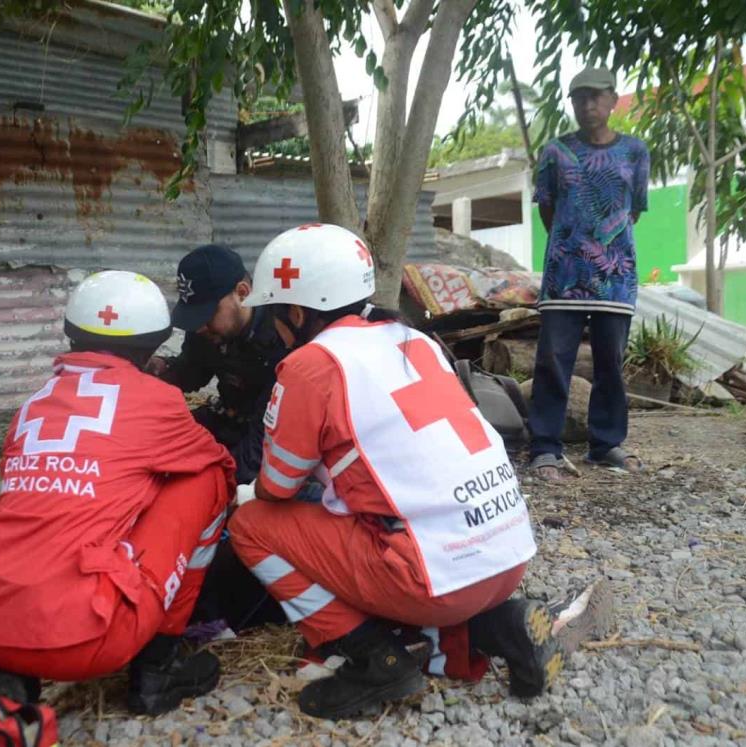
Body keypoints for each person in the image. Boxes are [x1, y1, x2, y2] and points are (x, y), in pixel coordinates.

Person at [229, 224, 561, 720]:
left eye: (276, 315)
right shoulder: (414, 340)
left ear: (295, 314)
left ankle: (372, 659)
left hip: (434, 580)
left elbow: (277, 487)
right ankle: (496, 626)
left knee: (251, 524)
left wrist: (241, 492)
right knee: (362, 516)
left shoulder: (311, 365)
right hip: (507, 557)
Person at [0, 270, 236, 716]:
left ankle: (14, 675)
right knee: (206, 477)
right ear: (152, 346)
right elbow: (217, 459)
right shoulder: (157, 401)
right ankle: (158, 669)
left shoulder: (33, 406)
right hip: (88, 641)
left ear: (72, 336)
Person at [529, 66, 650, 481]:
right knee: (551, 361)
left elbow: (632, 210)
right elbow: (547, 207)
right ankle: (544, 446)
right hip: (564, 275)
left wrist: (604, 245)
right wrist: (572, 243)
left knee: (610, 364)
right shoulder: (554, 152)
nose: (588, 104)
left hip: (615, 279)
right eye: (579, 97)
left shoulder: (635, 152)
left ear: (613, 100)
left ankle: (606, 445)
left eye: (596, 96)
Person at [148, 244, 289, 486]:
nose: (199, 327)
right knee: (150, 443)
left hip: (269, 439)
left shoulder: (281, 336)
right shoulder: (207, 331)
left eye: (206, 315)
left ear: (242, 293)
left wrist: (217, 483)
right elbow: (193, 371)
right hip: (226, 420)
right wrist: (158, 371)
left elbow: (260, 444)